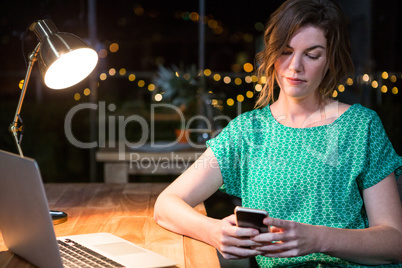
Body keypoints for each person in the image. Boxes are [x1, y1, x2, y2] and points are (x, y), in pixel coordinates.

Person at [154, 0, 402, 267]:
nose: (295, 66)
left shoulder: (360, 127)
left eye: (312, 54)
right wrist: (213, 231)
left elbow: (394, 242)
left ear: (330, 60)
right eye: (285, 51)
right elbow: (166, 205)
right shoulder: (247, 131)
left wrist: (318, 239)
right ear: (271, 54)